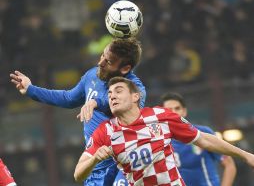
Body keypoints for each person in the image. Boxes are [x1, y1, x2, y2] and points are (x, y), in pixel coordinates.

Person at [10, 38, 146, 186]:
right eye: (102, 56)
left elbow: (127, 104)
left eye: (108, 62)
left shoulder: (134, 88)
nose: (100, 63)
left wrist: (96, 102)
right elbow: (68, 98)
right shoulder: (92, 75)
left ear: (125, 69)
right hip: (94, 167)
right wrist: (31, 89)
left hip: (122, 166)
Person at [74, 76, 254, 186]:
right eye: (110, 93)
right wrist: (95, 158)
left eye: (118, 91)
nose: (112, 95)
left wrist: (245, 155)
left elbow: (204, 139)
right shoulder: (105, 131)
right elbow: (78, 174)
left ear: (136, 96)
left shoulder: (160, 116)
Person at [161, 92, 237, 186]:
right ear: (162, 114)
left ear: (184, 111)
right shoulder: (159, 141)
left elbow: (229, 164)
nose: (174, 112)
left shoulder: (203, 133)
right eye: (169, 110)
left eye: (177, 108)